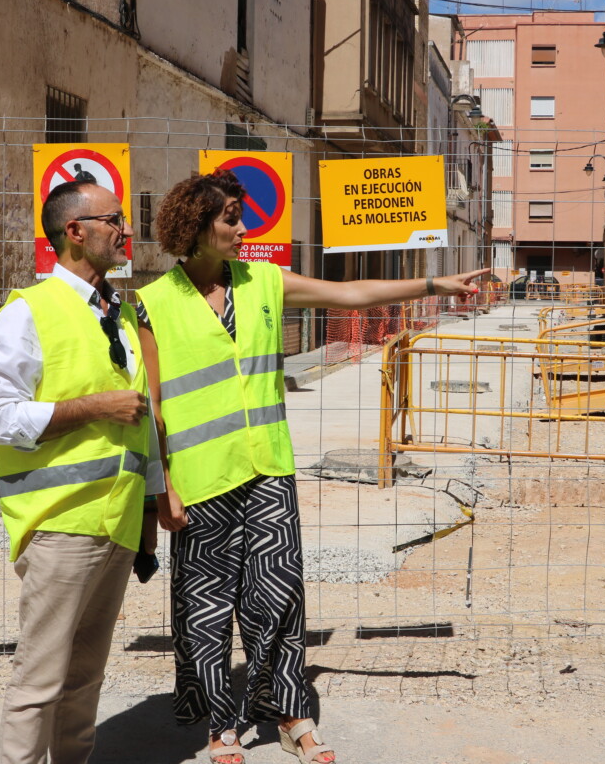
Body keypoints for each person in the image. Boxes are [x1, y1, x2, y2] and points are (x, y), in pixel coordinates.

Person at [136, 168, 487, 764]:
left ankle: (290, 713)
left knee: (278, 595)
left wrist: (433, 284)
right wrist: (162, 491)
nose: (243, 228)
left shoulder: (264, 281)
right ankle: (220, 724)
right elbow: (154, 411)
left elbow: (347, 293)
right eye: (230, 219)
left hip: (267, 468)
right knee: (206, 602)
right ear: (195, 228)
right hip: (197, 480)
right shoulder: (150, 306)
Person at [0, 180, 163, 764]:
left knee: (85, 678)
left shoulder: (122, 311)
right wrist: (93, 407)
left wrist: (150, 509)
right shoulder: (27, 311)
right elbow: (0, 417)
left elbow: (142, 421)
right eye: (113, 219)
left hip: (116, 523)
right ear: (74, 232)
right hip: (60, 526)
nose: (125, 230)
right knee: (39, 681)